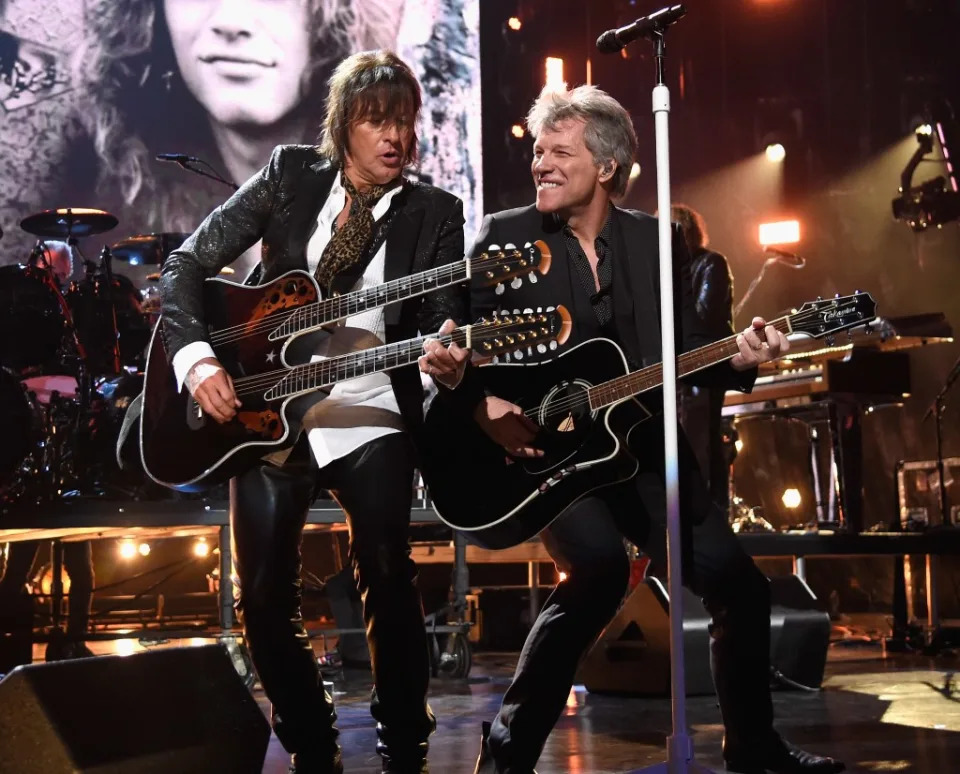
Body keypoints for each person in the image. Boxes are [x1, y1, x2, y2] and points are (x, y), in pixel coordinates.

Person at [424, 85, 844, 774]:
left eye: (561, 152)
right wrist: (480, 404)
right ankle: (505, 760)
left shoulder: (656, 241)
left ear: (609, 165)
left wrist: (739, 355)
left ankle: (754, 749)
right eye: (538, 152)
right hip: (544, 451)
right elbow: (452, 340)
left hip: (641, 446)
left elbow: (683, 351)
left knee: (740, 585)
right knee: (597, 569)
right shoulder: (505, 237)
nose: (542, 165)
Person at [160, 50, 469, 774]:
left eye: (405, 122)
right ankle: (312, 744)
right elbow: (186, 264)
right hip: (265, 407)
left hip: (367, 404)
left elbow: (448, 319)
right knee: (264, 597)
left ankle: (403, 743)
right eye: (376, 121)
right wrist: (198, 359)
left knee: (387, 569)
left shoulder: (436, 213)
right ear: (343, 126)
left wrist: (449, 357)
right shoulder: (290, 176)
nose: (394, 137)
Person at [669, 204, 736, 516]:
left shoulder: (710, 264)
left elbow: (705, 317)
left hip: (703, 369)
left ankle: (709, 514)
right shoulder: (660, 273)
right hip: (670, 373)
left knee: (701, 444)